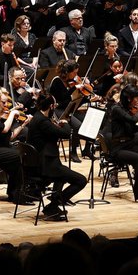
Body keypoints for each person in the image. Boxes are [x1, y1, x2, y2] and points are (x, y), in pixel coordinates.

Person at [23, 92, 88, 221]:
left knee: (61, 177)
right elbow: (65, 134)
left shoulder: (37, 117)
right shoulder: (43, 122)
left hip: (40, 164)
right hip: (46, 166)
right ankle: (55, 203)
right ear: (52, 106)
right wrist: (66, 121)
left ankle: (52, 205)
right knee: (81, 180)